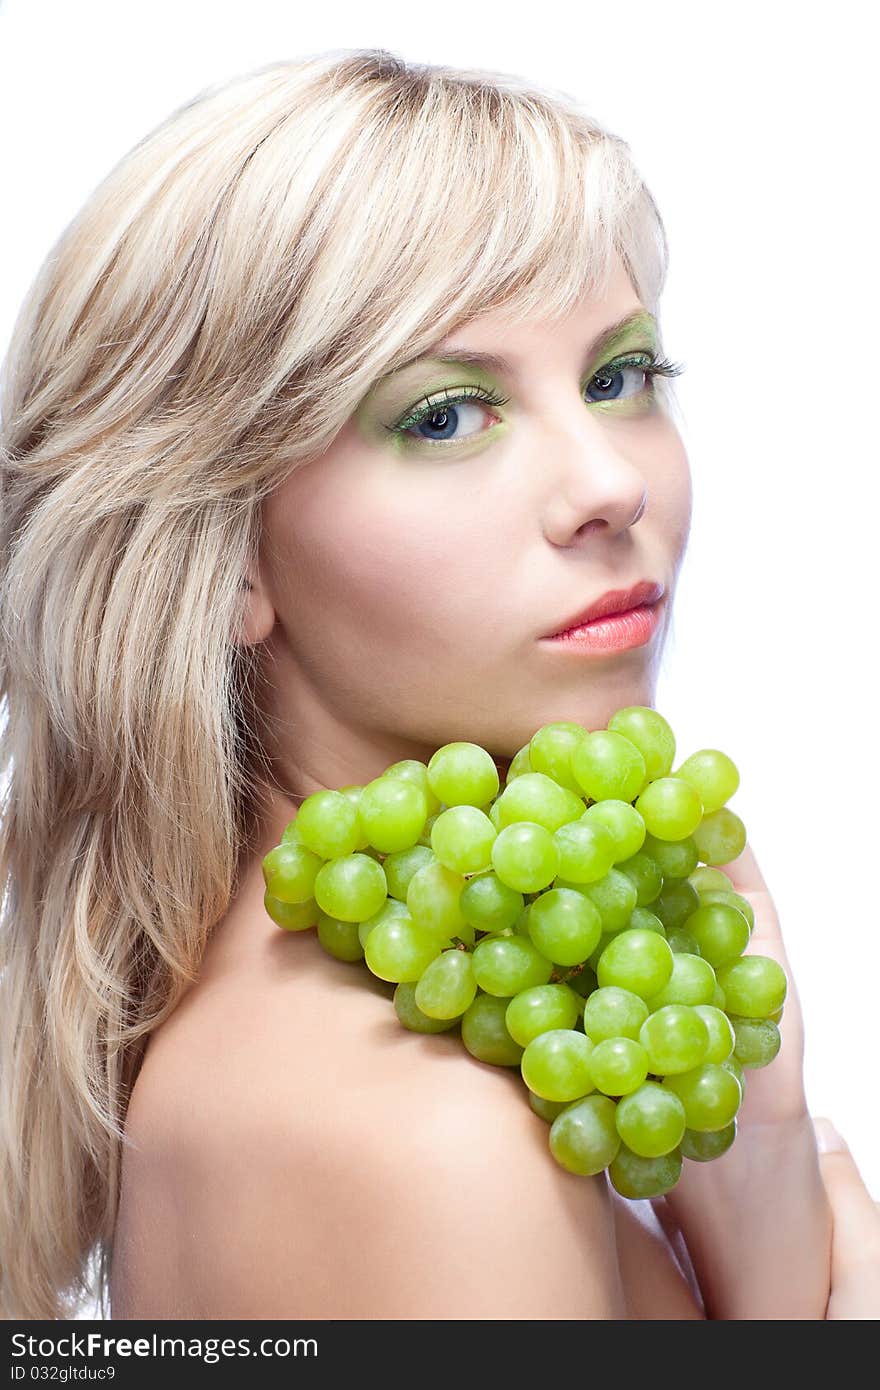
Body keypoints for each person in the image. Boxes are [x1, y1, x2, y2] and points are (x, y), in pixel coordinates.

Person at [0, 47, 877, 1322]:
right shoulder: (431, 1146)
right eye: (445, 415)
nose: (609, 484)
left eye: (618, 377)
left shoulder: (378, 1040)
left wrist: (761, 1177)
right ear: (231, 556)